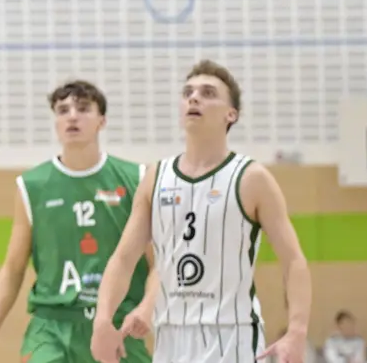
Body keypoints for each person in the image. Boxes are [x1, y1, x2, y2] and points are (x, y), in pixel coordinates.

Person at [91, 61, 313, 363]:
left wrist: (297, 330)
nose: (194, 98)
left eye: (208, 93)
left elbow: (294, 260)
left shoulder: (252, 178)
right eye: (188, 93)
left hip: (231, 336)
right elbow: (123, 258)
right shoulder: (156, 177)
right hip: (169, 337)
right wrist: (102, 320)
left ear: (230, 114)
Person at [0, 81, 156, 363]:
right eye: (63, 110)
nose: (72, 116)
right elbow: (13, 269)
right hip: (52, 327)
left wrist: (147, 307)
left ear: (102, 121)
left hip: (114, 322)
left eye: (83, 109)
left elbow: (157, 262)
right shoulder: (32, 185)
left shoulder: (135, 178)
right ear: (56, 123)